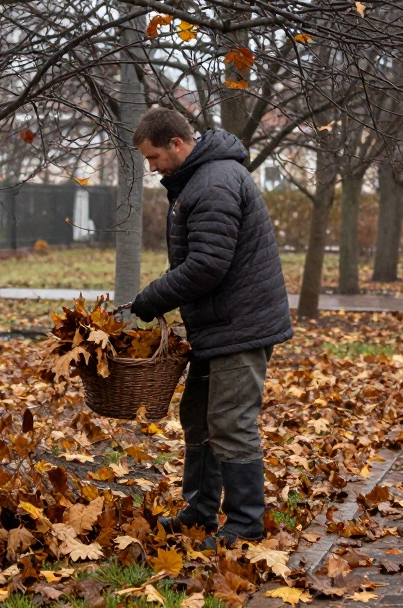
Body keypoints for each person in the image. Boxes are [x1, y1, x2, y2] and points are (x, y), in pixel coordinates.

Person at [126, 107, 293, 549]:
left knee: (231, 423)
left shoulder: (214, 183)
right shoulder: (199, 180)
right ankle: (199, 513)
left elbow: (206, 266)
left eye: (155, 156)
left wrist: (151, 299)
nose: (152, 167)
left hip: (239, 326)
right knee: (198, 418)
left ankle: (245, 526)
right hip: (219, 324)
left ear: (177, 145)